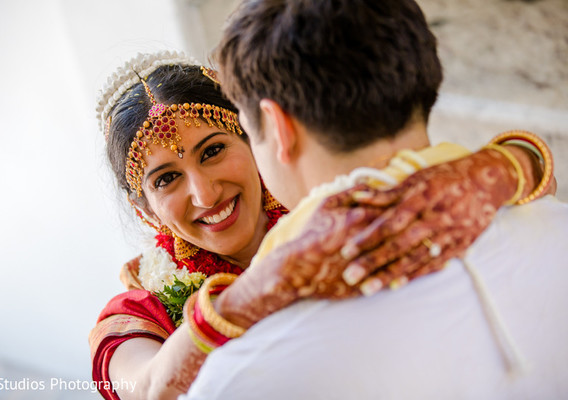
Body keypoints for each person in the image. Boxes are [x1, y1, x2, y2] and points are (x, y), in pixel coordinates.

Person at [90, 50, 555, 399]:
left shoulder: (335, 209)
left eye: (213, 151)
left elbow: (515, 190)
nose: (204, 193)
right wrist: (263, 287)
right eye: (168, 179)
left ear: (255, 139)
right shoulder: (139, 310)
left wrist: (506, 165)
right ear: (144, 210)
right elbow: (149, 387)